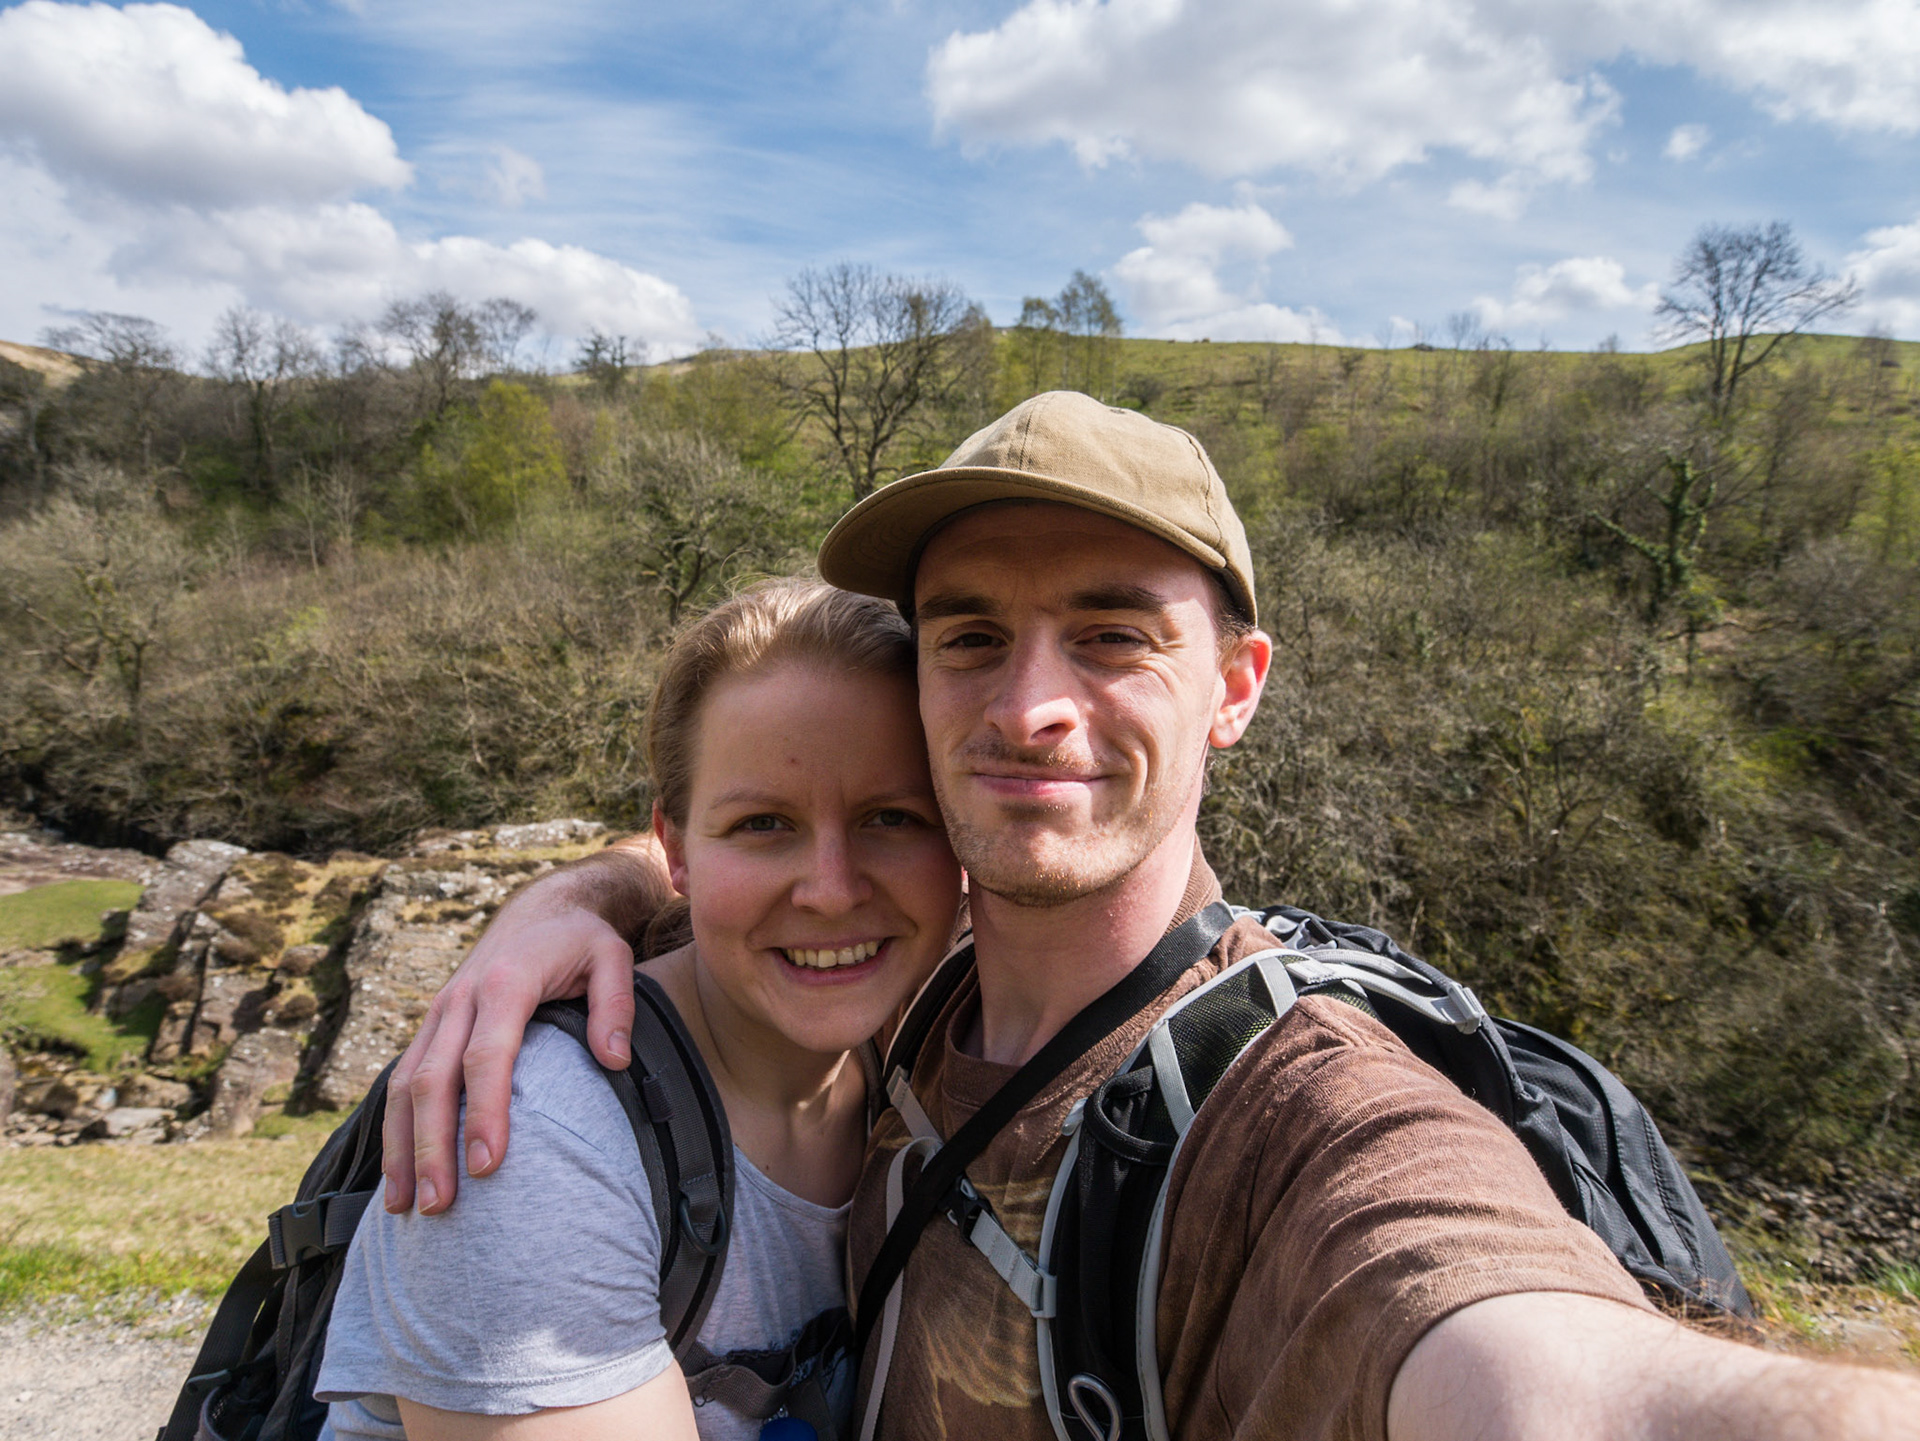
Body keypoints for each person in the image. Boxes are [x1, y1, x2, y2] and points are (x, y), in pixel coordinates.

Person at [379, 392, 1920, 1441]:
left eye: (1112, 634)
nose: (1030, 706)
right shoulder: (908, 973)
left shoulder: (1305, 1118)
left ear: (1236, 687)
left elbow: (1544, 1369)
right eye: (971, 637)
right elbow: (761, 845)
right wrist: (583, 895)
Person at [316, 579, 964, 1440]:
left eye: (892, 815)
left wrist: (580, 890)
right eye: (763, 824)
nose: (832, 890)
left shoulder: (930, 1036)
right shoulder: (542, 1138)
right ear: (676, 850)